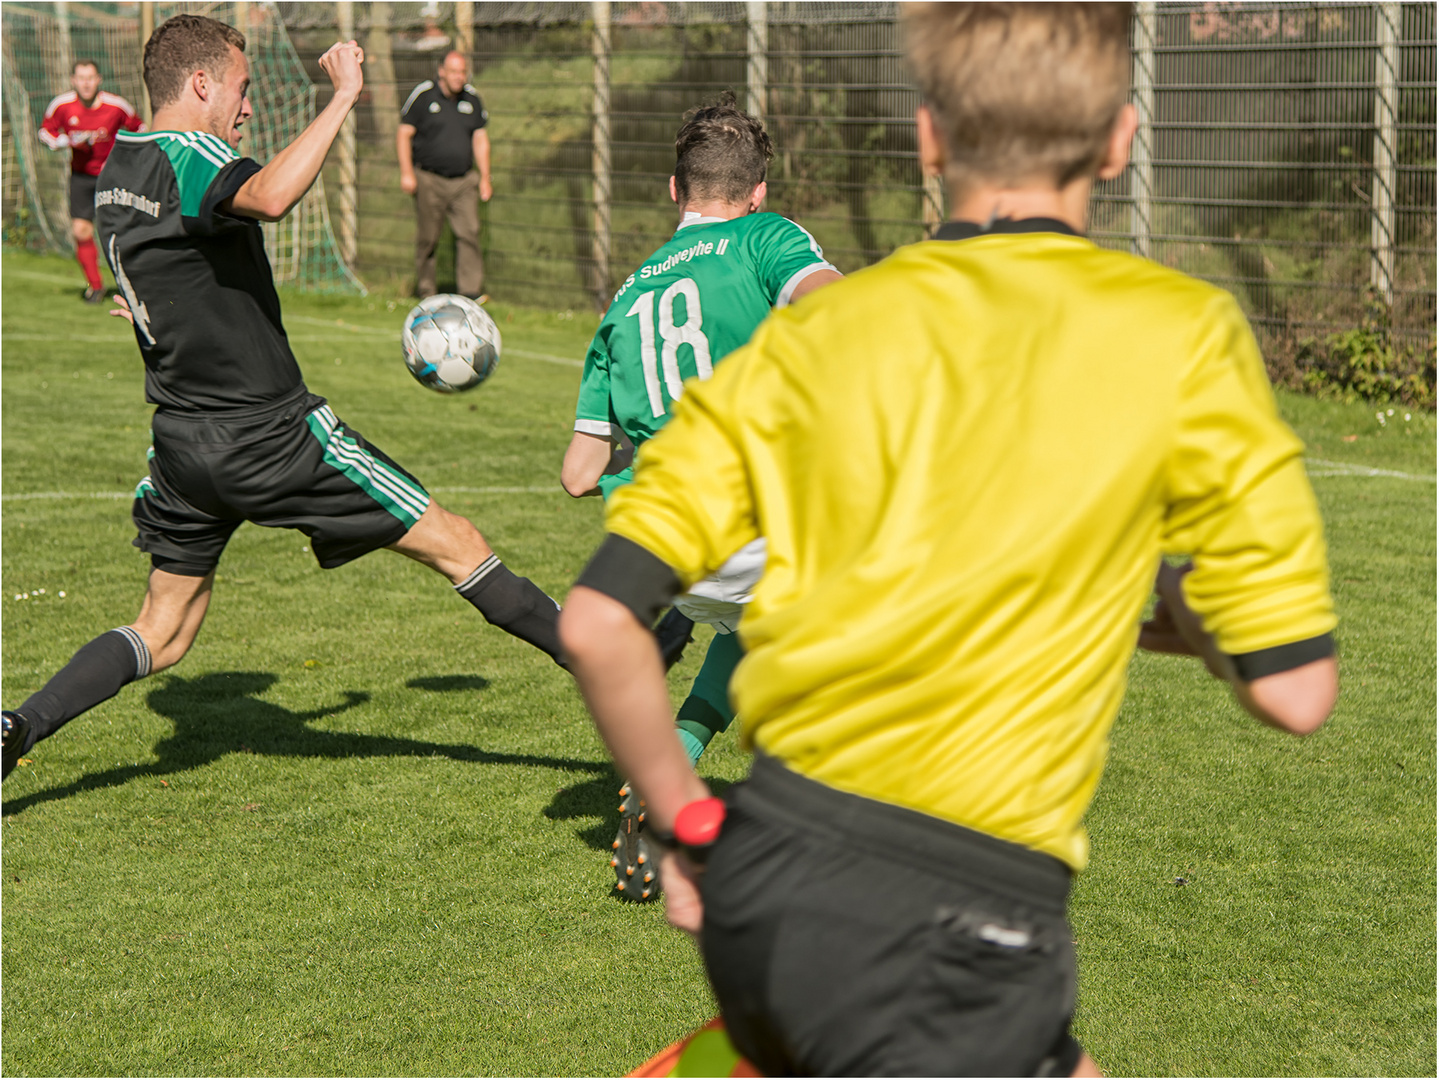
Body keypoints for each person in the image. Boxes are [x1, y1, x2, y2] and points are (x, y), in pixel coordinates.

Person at [558, 4, 1339, 1076]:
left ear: (928, 137)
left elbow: (600, 621)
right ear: (1120, 136)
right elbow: (1292, 689)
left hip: (769, 865)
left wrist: (688, 823)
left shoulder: (818, 338)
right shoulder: (1182, 332)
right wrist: (1125, 592)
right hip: (955, 913)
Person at [1, 15, 564, 783]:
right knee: (458, 543)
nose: (244, 107)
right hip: (270, 435)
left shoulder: (120, 165)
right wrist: (343, 97)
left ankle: (17, 725)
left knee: (161, 633)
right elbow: (266, 197)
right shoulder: (190, 153)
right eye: (239, 88)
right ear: (200, 84)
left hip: (183, 447)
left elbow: (156, 272)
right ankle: (620, 666)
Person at [559, 96, 841, 899]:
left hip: (668, 558)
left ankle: (667, 779)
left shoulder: (624, 300)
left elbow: (579, 471)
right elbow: (827, 299)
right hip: (757, 523)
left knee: (743, 631)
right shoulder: (766, 237)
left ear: (673, 190)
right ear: (756, 193)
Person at [38, 59, 143, 303]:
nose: (86, 83)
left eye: (90, 78)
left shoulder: (116, 106)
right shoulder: (62, 106)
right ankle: (95, 287)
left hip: (114, 177)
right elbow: (46, 131)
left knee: (120, 232)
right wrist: (65, 142)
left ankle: (133, 285)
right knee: (81, 230)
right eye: (81, 78)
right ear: (74, 80)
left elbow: (139, 128)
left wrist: (121, 158)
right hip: (82, 177)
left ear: (99, 80)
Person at [397, 50, 491, 301]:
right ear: (441, 71)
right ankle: (427, 293)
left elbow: (480, 139)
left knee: (469, 233)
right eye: (454, 71)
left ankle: (470, 294)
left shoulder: (472, 99)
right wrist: (407, 173)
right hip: (429, 179)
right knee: (428, 237)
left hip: (464, 180)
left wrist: (485, 177)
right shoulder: (424, 96)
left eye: (463, 72)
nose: (459, 77)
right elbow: (404, 133)